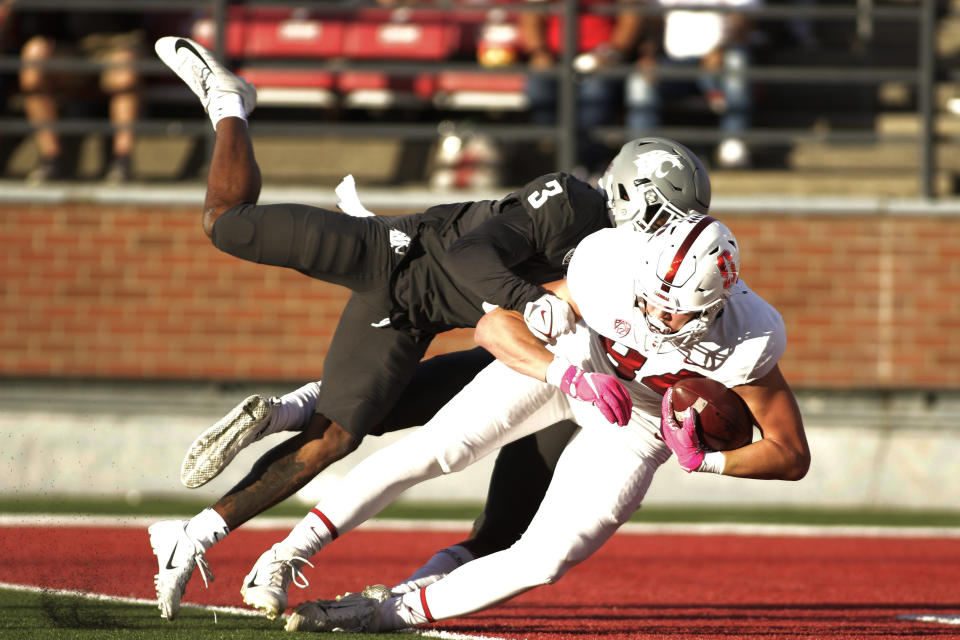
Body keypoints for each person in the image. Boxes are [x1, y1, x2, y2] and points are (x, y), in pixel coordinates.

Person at [147, 35, 711, 621]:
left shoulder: (635, 265)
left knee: (338, 436)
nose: (666, 237)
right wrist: (527, 299)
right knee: (227, 226)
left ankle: (198, 529)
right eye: (663, 219)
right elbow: (470, 255)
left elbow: (511, 347)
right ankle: (229, 104)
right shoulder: (571, 204)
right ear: (628, 194)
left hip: (420, 323)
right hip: (392, 255)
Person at [233, 214, 809, 632]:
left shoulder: (749, 337)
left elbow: (790, 453)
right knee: (435, 449)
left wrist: (703, 458)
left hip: (637, 424)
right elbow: (494, 329)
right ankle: (290, 551)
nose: (656, 311)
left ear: (716, 304)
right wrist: (569, 375)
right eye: (650, 295)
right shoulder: (609, 264)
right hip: (568, 363)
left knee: (548, 555)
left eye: (675, 305)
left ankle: (388, 612)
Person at [626, 0, 760, 168]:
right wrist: (649, 55)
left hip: (721, 59)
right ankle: (640, 155)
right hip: (673, 63)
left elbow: (744, 18)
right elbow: (654, 20)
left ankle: (733, 142)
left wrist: (721, 48)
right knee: (640, 78)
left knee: (737, 61)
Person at [520, 0, 646, 176]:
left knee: (595, 95)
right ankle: (555, 162)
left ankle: (586, 166)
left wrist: (612, 52)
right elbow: (533, 12)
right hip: (555, 58)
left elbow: (631, 14)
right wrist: (539, 52)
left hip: (601, 60)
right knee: (539, 88)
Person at [17, 11, 144, 183]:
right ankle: (51, 160)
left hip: (119, 41)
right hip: (69, 44)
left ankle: (122, 162)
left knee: (125, 72)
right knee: (34, 54)